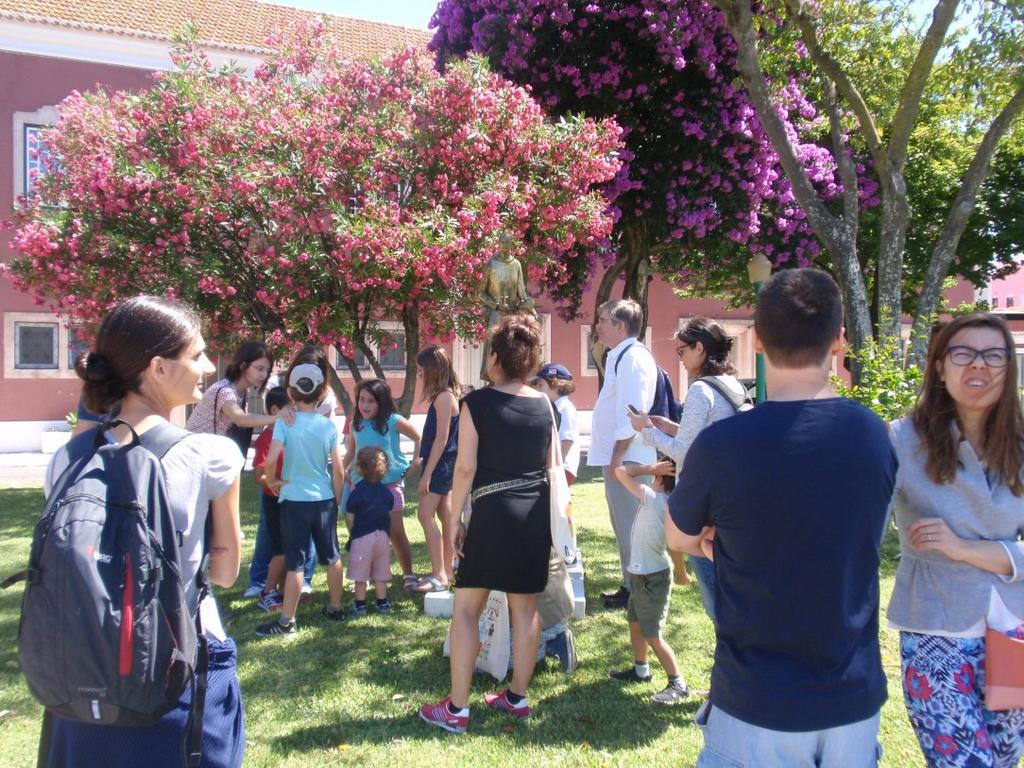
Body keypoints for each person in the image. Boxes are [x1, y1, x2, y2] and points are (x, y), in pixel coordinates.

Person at [667, 268, 897, 767]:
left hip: (755, 697)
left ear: (761, 342)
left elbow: (677, 533)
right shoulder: (873, 435)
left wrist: (710, 538)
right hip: (851, 696)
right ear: (839, 341)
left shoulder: (722, 446)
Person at [43, 295, 245, 767]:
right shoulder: (209, 455)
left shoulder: (65, 460)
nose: (209, 366)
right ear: (158, 368)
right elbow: (227, 570)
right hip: (176, 667)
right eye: (196, 355)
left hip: (80, 668)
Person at [887, 313, 1024, 768]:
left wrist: (963, 547)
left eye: (993, 355)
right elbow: (855, 515)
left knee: (1003, 760)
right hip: (935, 630)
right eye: (963, 354)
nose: (978, 366)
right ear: (940, 367)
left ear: (1010, 368)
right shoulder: (903, 441)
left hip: (1015, 631)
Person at [420, 314, 553, 734]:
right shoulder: (545, 403)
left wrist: (457, 516)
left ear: (494, 357)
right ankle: (517, 697)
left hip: (492, 512)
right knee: (525, 608)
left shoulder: (475, 403)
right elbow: (551, 465)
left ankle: (458, 709)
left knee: (465, 609)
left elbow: (465, 467)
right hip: (535, 514)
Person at [630, 317, 747, 614]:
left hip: (703, 504)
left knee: (715, 597)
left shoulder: (700, 390)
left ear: (700, 348)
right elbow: (704, 436)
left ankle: (728, 655)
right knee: (732, 587)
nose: (679, 358)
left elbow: (684, 453)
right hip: (732, 498)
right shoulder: (733, 385)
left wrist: (645, 428)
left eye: (682, 350)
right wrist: (669, 426)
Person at [255, 359, 346, 636]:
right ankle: (335, 607)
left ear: (291, 393)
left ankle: (287, 621)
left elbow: (270, 460)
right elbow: (339, 469)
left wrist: (272, 481)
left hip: (294, 500)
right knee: (332, 556)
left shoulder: (285, 423)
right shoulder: (328, 427)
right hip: (324, 500)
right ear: (322, 393)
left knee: (295, 560)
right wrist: (337, 500)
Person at [586, 299, 658, 609]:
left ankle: (639, 591)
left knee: (632, 526)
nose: (598, 325)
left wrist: (617, 458)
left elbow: (633, 412)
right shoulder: (622, 356)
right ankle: (631, 585)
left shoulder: (633, 358)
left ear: (620, 325)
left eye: (603, 320)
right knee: (623, 525)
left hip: (627, 457)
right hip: (620, 456)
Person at [611, 459, 688, 705]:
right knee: (635, 623)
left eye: (655, 475)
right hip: (642, 575)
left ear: (658, 480)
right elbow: (675, 546)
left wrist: (647, 469)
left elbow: (620, 472)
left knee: (652, 634)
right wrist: (681, 571)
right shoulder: (669, 505)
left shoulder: (653, 498)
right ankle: (641, 670)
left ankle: (678, 683)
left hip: (650, 579)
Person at [343, 378, 422, 591]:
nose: (365, 405)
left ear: (382, 402)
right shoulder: (355, 424)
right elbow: (351, 450)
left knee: (396, 531)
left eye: (371, 401)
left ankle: (408, 574)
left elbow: (418, 437)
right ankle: (365, 576)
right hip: (362, 487)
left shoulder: (393, 420)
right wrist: (342, 469)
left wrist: (415, 461)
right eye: (361, 399)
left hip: (389, 486)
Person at [413, 345, 460, 593]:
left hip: (441, 465)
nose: (419, 376)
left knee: (424, 514)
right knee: (446, 516)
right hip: (444, 464)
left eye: (422, 371)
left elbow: (442, 439)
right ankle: (448, 572)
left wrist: (427, 473)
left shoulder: (444, 397)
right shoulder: (446, 396)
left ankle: (439, 574)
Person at [186, 340, 276, 458]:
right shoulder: (225, 390)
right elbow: (240, 419)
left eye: (267, 370)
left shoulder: (244, 393)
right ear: (243, 365)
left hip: (210, 452)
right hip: (194, 453)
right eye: (259, 369)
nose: (264, 375)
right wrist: (277, 418)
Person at [345, 446, 395, 616]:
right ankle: (382, 603)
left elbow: (350, 517)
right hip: (382, 536)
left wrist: (353, 533)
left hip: (362, 536)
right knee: (380, 572)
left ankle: (360, 604)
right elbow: (388, 515)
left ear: (361, 468)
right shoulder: (387, 493)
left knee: (360, 574)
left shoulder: (357, 492)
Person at [534, 362, 580, 485]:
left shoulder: (565, 408)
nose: (537, 389)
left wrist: (554, 467)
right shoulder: (553, 406)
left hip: (562, 467)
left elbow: (567, 440)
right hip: (554, 466)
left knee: (556, 502)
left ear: (555, 385)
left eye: (540, 385)